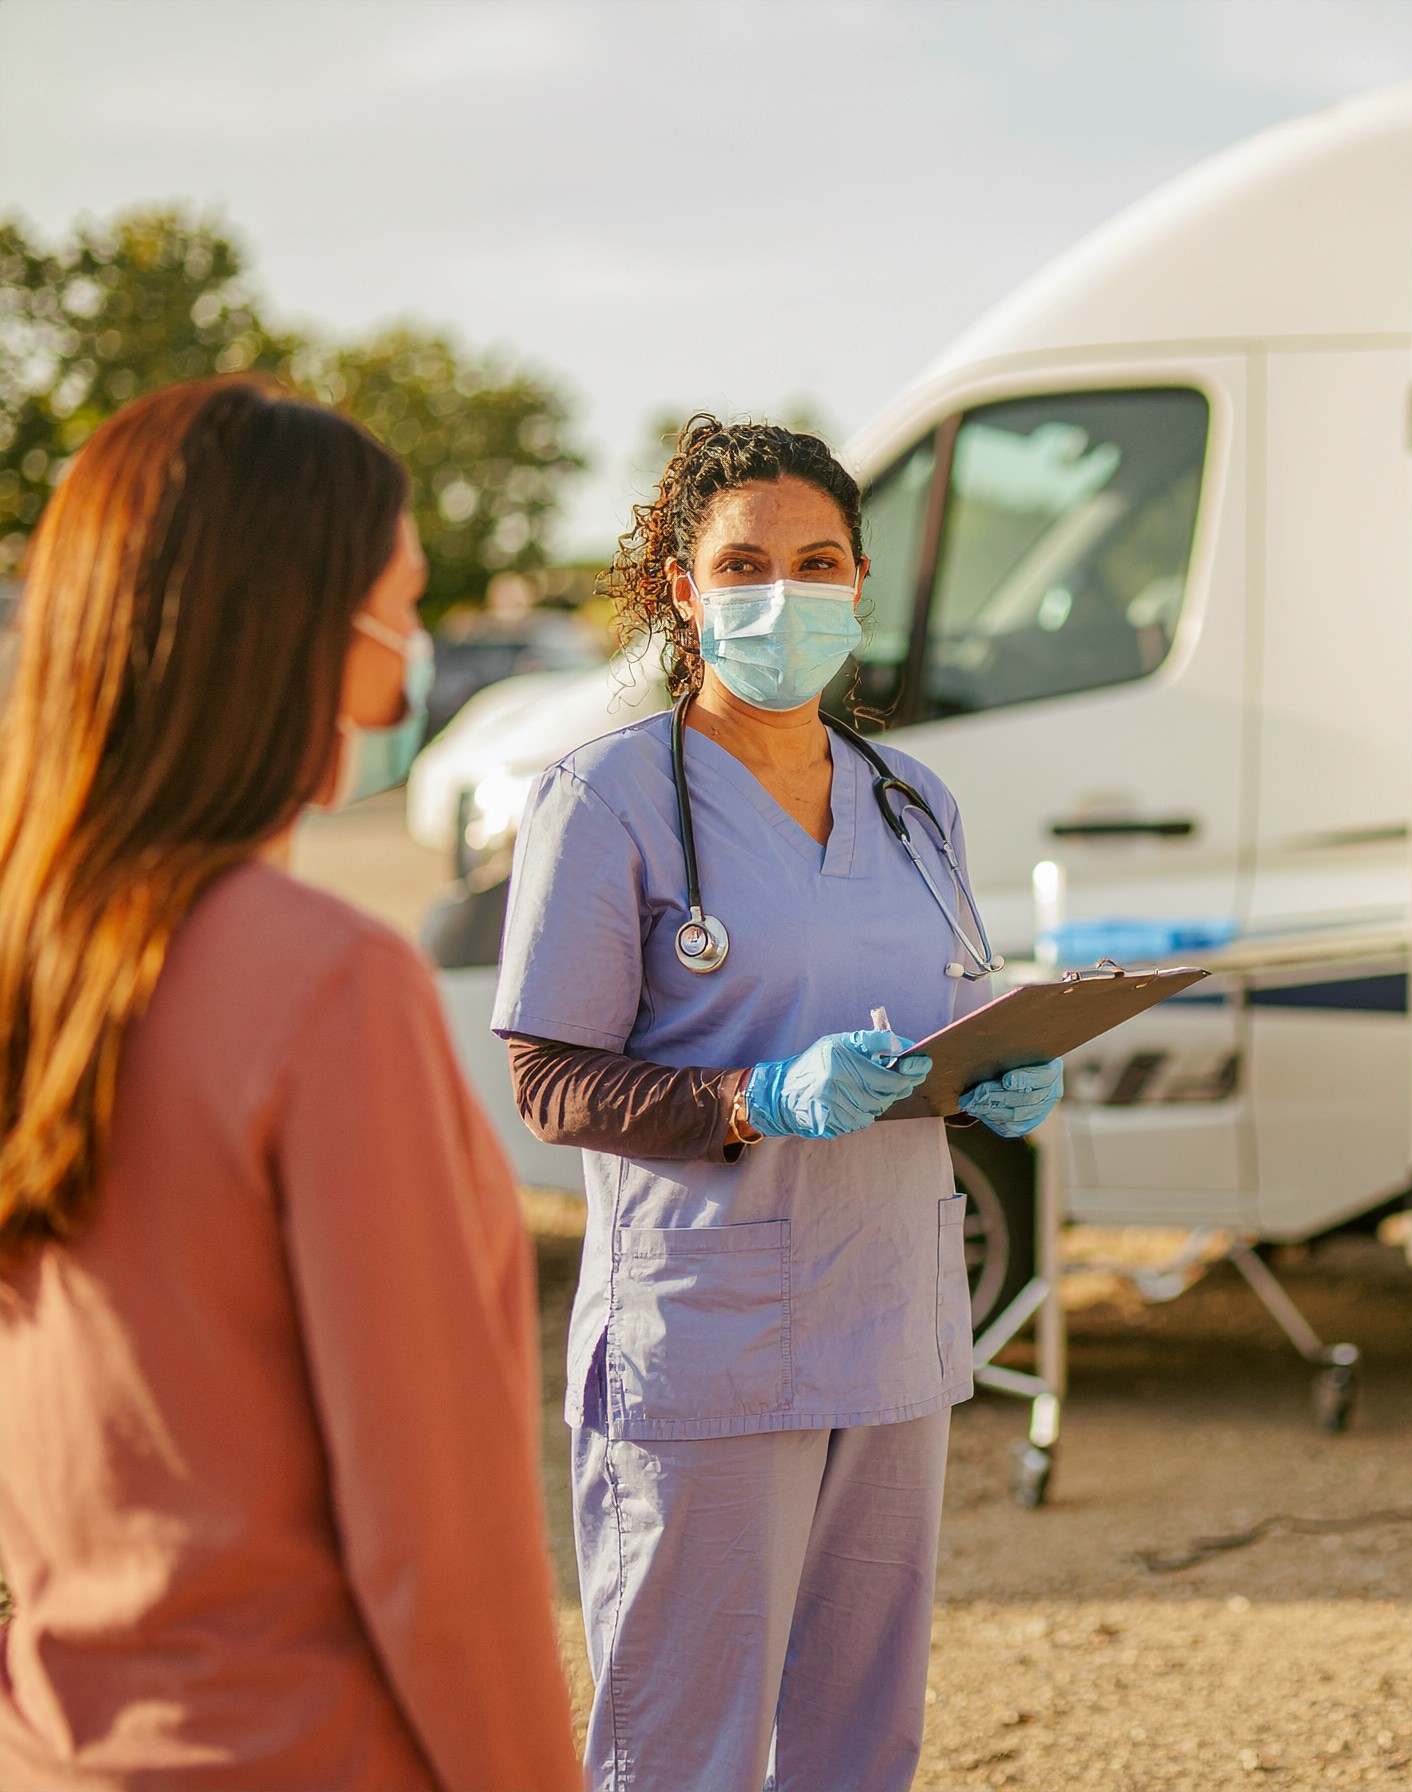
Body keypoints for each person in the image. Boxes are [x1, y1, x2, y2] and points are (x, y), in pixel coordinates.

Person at [0, 378, 582, 1791]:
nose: (410, 669)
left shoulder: (35, 957)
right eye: (403, 608)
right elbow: (434, 1546)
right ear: (303, 633)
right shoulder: (331, 987)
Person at [493, 417, 1061, 1792]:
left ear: (860, 582)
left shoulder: (913, 801)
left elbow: (929, 1022)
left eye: (817, 562)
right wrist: (756, 1098)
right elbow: (549, 1081)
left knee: (861, 1738)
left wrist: (993, 1078)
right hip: (710, 1339)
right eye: (744, 563)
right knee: (682, 1743)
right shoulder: (605, 799)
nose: (783, 594)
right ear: (685, 590)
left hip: (892, 1323)